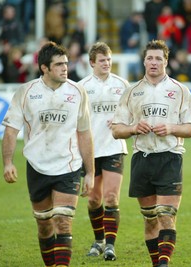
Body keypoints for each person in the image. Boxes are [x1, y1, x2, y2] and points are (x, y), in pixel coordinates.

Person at [1, 41, 94, 267]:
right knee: (44, 225)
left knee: (63, 221)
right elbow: (11, 130)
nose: (65, 68)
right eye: (59, 64)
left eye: (66, 63)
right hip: (37, 165)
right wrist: (8, 163)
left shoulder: (78, 91)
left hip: (68, 166)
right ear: (44, 68)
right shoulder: (26, 92)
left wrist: (90, 172)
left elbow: (84, 134)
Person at [112, 39, 191, 267]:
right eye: (150, 58)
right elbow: (116, 130)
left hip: (170, 156)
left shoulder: (179, 90)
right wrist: (133, 128)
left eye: (158, 58)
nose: (153, 62)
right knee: (150, 219)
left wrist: (170, 128)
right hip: (142, 159)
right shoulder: (132, 92)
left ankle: (164, 263)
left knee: (166, 215)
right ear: (143, 61)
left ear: (166, 61)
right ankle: (157, 263)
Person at [78, 42, 130, 261]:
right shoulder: (81, 87)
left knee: (111, 197)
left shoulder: (122, 85)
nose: (107, 63)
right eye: (102, 60)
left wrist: (122, 121)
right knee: (93, 200)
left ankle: (109, 245)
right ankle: (98, 240)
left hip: (114, 147)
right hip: (90, 150)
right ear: (92, 63)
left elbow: (133, 114)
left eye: (109, 59)